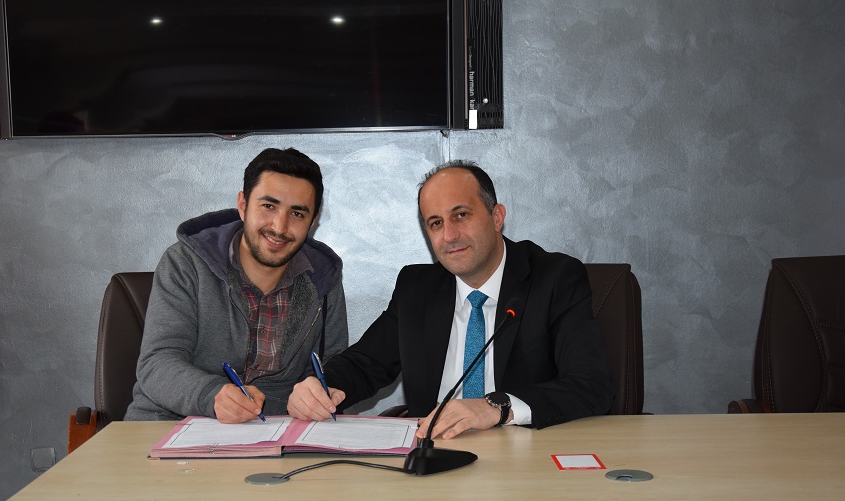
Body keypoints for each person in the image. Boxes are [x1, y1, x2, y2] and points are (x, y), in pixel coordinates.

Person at [288, 160, 612, 437]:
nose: (449, 236)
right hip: (437, 453)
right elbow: (364, 364)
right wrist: (320, 387)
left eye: (461, 215)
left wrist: (495, 407)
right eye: (436, 223)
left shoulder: (554, 279)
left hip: (526, 454)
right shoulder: (417, 288)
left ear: (497, 217)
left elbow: (591, 385)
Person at [126, 147, 348, 424]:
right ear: (243, 205)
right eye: (268, 206)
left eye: (297, 214)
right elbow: (157, 364)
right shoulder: (185, 263)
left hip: (277, 430)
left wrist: (321, 394)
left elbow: (333, 366)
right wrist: (211, 395)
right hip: (171, 422)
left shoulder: (323, 277)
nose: (279, 227)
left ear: (313, 221)